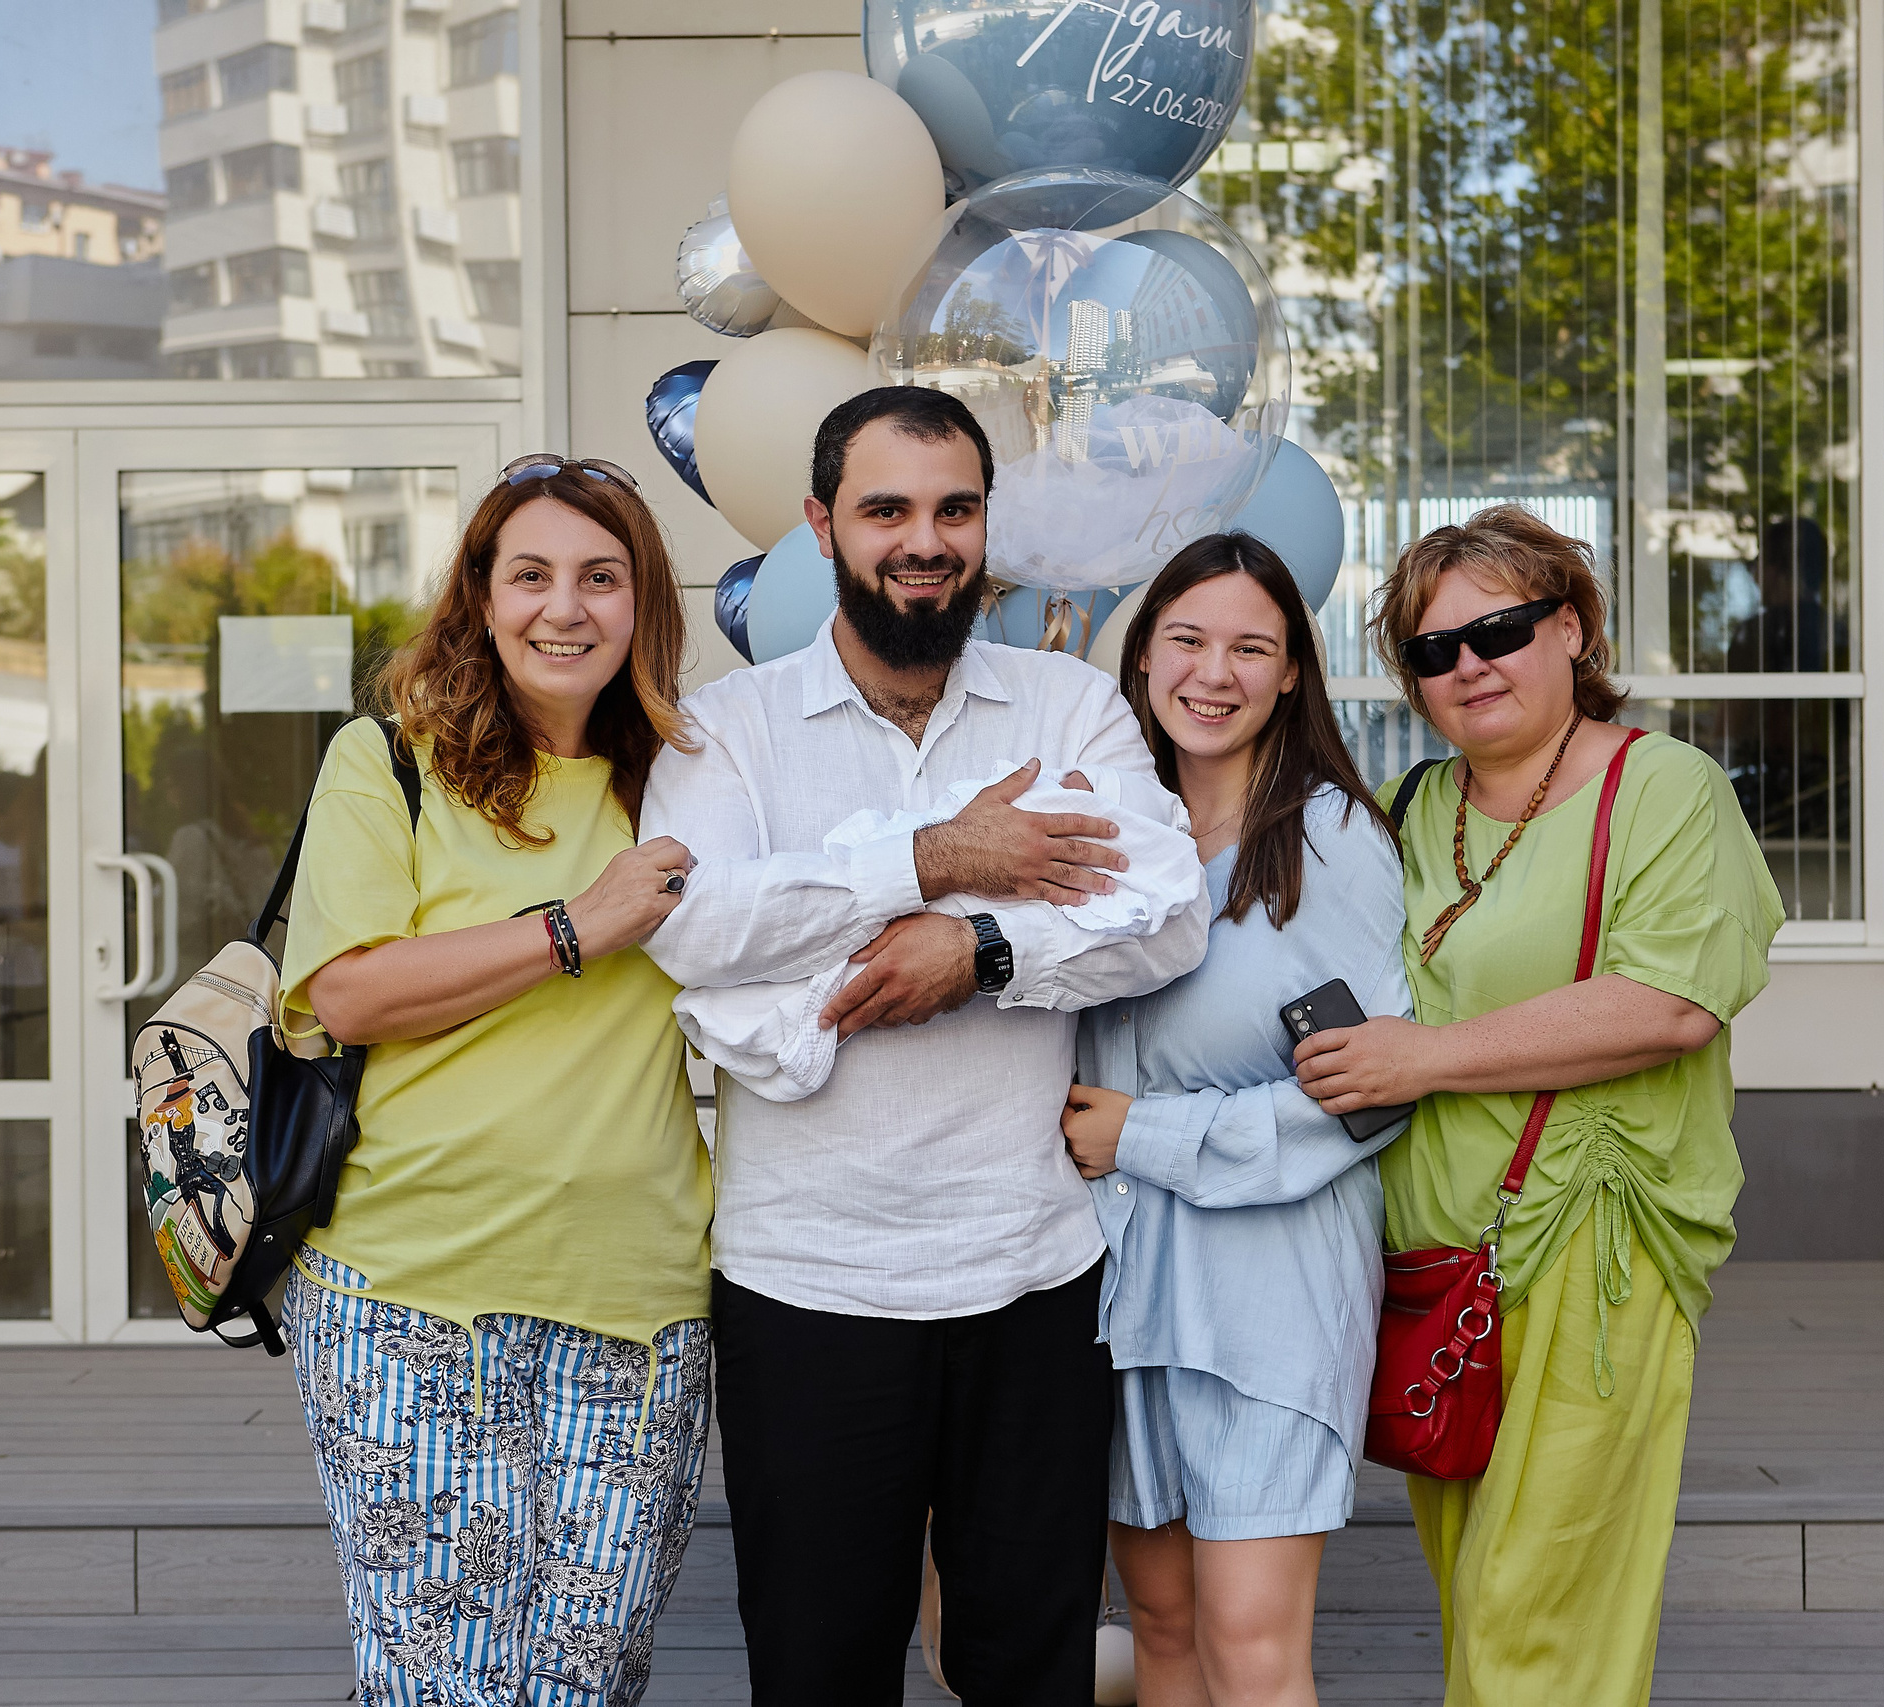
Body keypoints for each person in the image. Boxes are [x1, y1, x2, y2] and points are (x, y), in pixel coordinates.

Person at [641, 386, 1211, 1705]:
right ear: (820, 524)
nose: (926, 538)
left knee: (1030, 1670)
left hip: (1030, 1277)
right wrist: (942, 858)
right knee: (820, 1670)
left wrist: (982, 954)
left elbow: (1166, 913)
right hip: (807, 1288)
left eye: (955, 506)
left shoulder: (1067, 709)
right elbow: (700, 931)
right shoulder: (730, 730)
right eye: (886, 507)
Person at [1295, 504, 1784, 1706]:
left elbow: (1669, 1003)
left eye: (1500, 630)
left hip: (1592, 1237)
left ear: (1570, 629)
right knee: (1477, 1591)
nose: (1469, 665)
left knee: (1539, 1608)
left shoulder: (1663, 787)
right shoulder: (1407, 809)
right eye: (1431, 648)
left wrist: (1424, 1059)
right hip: (1427, 1256)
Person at [276, 454, 713, 1705]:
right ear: (479, 595)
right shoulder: (390, 762)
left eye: (600, 577)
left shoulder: (689, 778)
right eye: (530, 575)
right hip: (410, 1294)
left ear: (643, 607)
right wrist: (576, 925)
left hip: (637, 1297)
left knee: (585, 1679)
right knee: (443, 1683)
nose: (563, 609)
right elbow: (349, 990)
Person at [1060, 533, 1410, 1707]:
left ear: (1291, 674)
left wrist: (1142, 1136)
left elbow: (1362, 1098)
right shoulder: (1110, 837)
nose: (1214, 673)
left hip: (1267, 1299)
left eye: (1250, 647)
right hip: (1124, 1292)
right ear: (1144, 655)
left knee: (1251, 1644)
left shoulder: (1330, 846)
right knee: (1160, 1628)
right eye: (1188, 640)